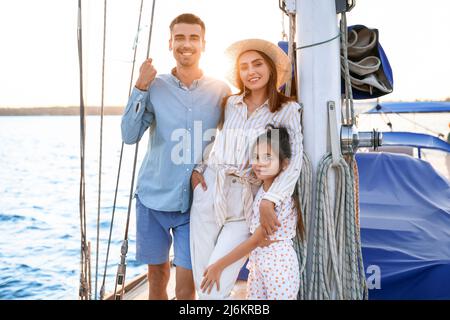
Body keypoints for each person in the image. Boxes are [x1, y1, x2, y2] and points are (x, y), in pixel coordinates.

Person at [121, 13, 230, 300]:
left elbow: (232, 143)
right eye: (180, 37)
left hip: (194, 204)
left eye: (193, 38)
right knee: (157, 276)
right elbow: (129, 135)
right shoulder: (155, 86)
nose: (186, 44)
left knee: (186, 285)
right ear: (170, 43)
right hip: (152, 198)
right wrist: (140, 86)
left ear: (204, 44)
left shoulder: (221, 91)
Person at [190, 39, 303, 299]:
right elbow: (213, 139)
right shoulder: (231, 104)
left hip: (246, 202)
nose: (250, 71)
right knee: (202, 281)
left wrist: (270, 200)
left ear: (271, 68)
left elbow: (293, 161)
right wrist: (198, 170)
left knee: (213, 290)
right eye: (244, 67)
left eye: (257, 64)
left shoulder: (287, 110)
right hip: (209, 191)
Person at [200, 126, 305, 299]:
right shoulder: (261, 190)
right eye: (256, 156)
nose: (259, 162)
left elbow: (256, 240)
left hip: (279, 266)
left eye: (268, 157)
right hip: (258, 265)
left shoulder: (279, 198)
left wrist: (218, 266)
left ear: (284, 164)